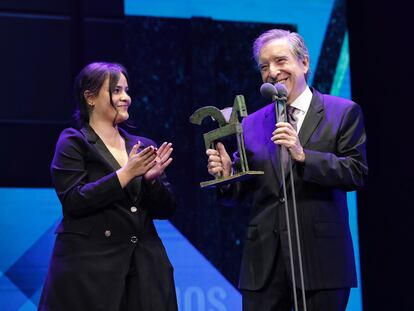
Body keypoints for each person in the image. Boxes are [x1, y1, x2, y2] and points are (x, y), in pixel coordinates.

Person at [206, 29, 368, 311]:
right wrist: (227, 176)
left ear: (304, 63)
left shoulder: (342, 112)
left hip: (321, 262)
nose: (273, 72)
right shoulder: (252, 124)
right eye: (264, 66)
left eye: (281, 61)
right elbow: (238, 193)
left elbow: (355, 172)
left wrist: (304, 155)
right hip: (265, 265)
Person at [39, 62, 178, 311]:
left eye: (126, 90)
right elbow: (74, 201)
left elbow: (166, 209)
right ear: (90, 97)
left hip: (145, 269)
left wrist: (151, 181)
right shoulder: (73, 141)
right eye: (116, 91)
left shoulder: (142, 145)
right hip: (91, 271)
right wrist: (126, 174)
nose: (125, 98)